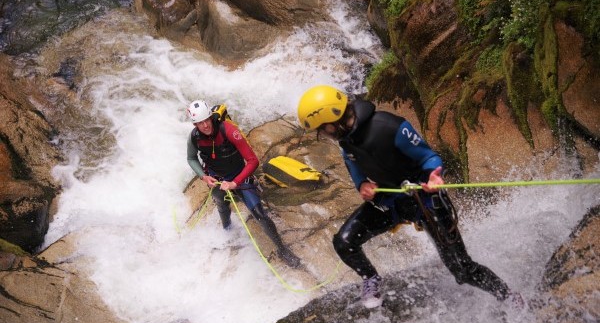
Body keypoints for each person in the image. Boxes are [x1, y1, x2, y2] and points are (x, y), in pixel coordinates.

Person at [297, 85, 522, 308]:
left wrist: (435, 175)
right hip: (390, 201)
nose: (323, 135)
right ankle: (371, 278)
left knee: (462, 270)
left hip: (424, 198)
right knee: (344, 242)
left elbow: (428, 157)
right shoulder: (346, 140)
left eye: (322, 130)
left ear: (332, 121)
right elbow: (352, 162)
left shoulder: (389, 127)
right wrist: (362, 184)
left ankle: (509, 297)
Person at [186, 99, 301, 268]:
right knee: (221, 204)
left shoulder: (228, 131)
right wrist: (203, 176)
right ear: (195, 124)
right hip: (217, 178)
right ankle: (227, 231)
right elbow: (191, 158)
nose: (205, 126)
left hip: (239, 176)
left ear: (211, 117)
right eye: (199, 123)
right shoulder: (194, 137)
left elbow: (252, 161)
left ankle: (282, 249)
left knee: (260, 214)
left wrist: (235, 183)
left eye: (206, 120)